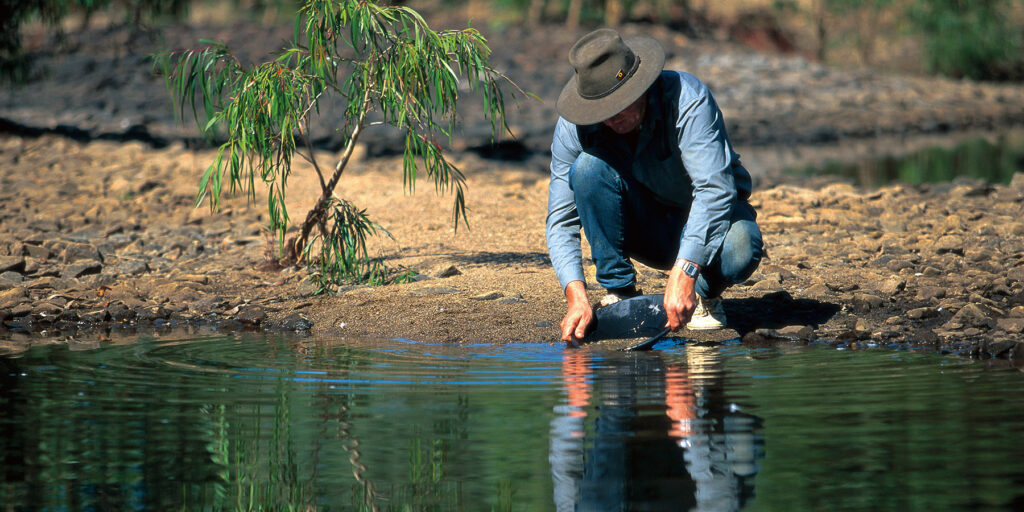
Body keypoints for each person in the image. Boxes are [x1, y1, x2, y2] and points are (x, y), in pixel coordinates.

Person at [546, 28, 764, 342]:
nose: (613, 119)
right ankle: (619, 293)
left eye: (621, 105)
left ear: (641, 86)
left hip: (707, 226)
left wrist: (687, 271)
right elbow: (560, 220)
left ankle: (704, 294)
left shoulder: (688, 98)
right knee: (587, 167)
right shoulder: (574, 126)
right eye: (603, 111)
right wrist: (575, 295)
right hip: (643, 227)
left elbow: (715, 191)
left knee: (743, 245)